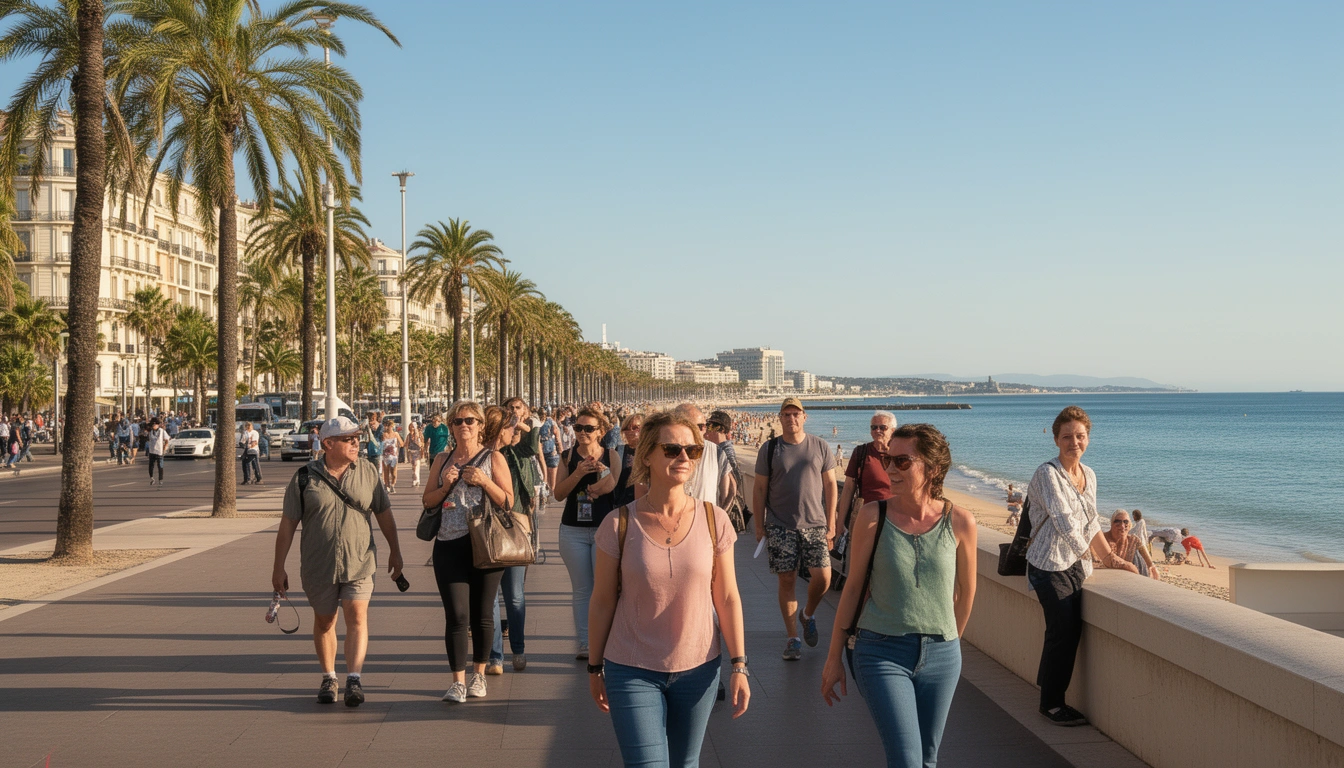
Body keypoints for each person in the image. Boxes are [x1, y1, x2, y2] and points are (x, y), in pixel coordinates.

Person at [587, 410, 750, 766]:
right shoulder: (618, 523)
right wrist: (594, 666)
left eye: (692, 451)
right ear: (647, 454)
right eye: (672, 449)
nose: (683, 458)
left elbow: (727, 597)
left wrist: (739, 664)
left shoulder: (714, 519)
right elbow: (601, 601)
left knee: (685, 763)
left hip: (699, 667)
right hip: (631, 667)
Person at [821, 424, 978, 768]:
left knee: (927, 759)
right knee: (907, 759)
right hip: (881, 651)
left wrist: (950, 643)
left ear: (932, 468)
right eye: (888, 460)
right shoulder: (872, 516)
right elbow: (851, 590)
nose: (890, 470)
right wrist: (834, 657)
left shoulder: (961, 522)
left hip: (943, 655)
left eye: (902, 462)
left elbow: (966, 593)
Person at [271, 415, 405, 708]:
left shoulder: (369, 472)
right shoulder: (304, 477)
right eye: (348, 439)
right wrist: (278, 567)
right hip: (319, 564)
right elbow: (287, 526)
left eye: (357, 438)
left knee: (357, 617)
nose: (356, 443)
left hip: (360, 561)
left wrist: (395, 550)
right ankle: (329, 676)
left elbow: (384, 513)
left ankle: (354, 678)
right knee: (325, 620)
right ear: (328, 443)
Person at [1025, 406, 1136, 727]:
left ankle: (1049, 690)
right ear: (1057, 439)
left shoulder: (1089, 474)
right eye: (1068, 436)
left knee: (1067, 630)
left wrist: (1112, 559)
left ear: (1088, 437)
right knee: (1064, 630)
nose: (1075, 442)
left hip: (1075, 565)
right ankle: (1052, 703)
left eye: (1080, 436)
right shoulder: (1047, 474)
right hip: (1047, 565)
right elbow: (1065, 524)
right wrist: (1091, 558)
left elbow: (1090, 523)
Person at [422, 400, 514, 703]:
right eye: (458, 421)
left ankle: (479, 675)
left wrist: (484, 480)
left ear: (480, 426)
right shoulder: (441, 459)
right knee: (457, 615)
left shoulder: (493, 458)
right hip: (448, 543)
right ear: (451, 427)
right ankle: (458, 682)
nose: (464, 426)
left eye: (471, 421)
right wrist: (446, 485)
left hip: (485, 543)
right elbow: (428, 502)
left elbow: (508, 502)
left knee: (482, 614)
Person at [752, 397, 838, 661]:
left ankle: (807, 614)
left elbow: (831, 486)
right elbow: (759, 488)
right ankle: (792, 638)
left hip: (815, 524)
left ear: (804, 417)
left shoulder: (820, 446)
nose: (791, 418)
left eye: (795, 414)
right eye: (786, 414)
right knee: (786, 579)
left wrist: (831, 522)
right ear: (780, 418)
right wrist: (759, 525)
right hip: (780, 524)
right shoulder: (769, 449)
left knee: (823, 577)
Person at [553, 406, 619, 660]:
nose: (582, 432)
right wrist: (578, 472)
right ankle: (585, 642)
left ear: (600, 432)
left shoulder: (611, 454)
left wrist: (600, 472)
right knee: (582, 589)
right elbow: (558, 494)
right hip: (572, 530)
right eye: (578, 427)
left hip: (604, 529)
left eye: (589, 429)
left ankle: (606, 641)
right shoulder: (567, 456)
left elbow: (613, 484)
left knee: (604, 588)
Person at [482, 405, 539, 675]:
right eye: (510, 426)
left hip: (513, 525)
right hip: (488, 528)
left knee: (514, 596)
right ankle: (495, 657)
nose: (515, 431)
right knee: (493, 597)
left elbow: (531, 444)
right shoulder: (489, 455)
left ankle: (517, 650)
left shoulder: (515, 451)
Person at [836, 411, 896, 540]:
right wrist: (840, 524)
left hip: (896, 520)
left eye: (882, 427)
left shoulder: (900, 455)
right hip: (867, 519)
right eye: (874, 427)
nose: (877, 430)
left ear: (892, 430)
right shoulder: (861, 452)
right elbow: (847, 490)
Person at [674, 404, 723, 506]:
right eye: (701, 426)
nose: (705, 430)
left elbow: (730, 487)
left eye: (706, 426)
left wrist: (721, 514)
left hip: (706, 518)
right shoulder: (666, 453)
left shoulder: (716, 452)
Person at [1101, 510, 1161, 580]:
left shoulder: (1133, 540)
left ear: (1130, 526)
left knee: (1138, 558)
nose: (1122, 526)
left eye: (1126, 522)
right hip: (1105, 578)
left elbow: (1142, 549)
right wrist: (1127, 565)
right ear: (1111, 524)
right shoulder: (1103, 539)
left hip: (1124, 579)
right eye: (1117, 521)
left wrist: (1152, 566)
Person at [539, 408, 561, 492]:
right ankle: (552, 490)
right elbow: (557, 435)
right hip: (551, 448)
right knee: (552, 472)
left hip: (541, 449)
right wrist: (560, 449)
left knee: (544, 472)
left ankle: (546, 490)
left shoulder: (537, 422)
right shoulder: (552, 422)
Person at [380, 422, 403, 494]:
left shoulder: (396, 434)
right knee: (386, 472)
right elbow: (380, 444)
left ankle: (393, 484)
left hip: (394, 456)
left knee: (394, 473)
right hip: (385, 456)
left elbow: (402, 443)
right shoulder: (383, 435)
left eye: (391, 426)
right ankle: (387, 486)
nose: (389, 428)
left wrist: (397, 445)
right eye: (387, 426)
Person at [146, 418, 169, 487]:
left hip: (159, 451)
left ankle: (160, 479)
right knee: (151, 466)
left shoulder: (162, 431)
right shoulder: (150, 432)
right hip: (152, 451)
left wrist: (165, 447)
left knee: (160, 466)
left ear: (157, 425)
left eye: (154, 424)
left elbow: (167, 439)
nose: (153, 426)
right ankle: (152, 478)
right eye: (152, 425)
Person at [405, 421, 424, 488]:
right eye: (411, 427)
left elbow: (422, 444)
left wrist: (423, 452)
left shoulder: (419, 434)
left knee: (416, 465)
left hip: (417, 452)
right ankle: (416, 479)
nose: (412, 428)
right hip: (411, 452)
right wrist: (407, 453)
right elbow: (406, 444)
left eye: (413, 427)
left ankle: (416, 480)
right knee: (413, 467)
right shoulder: (409, 435)